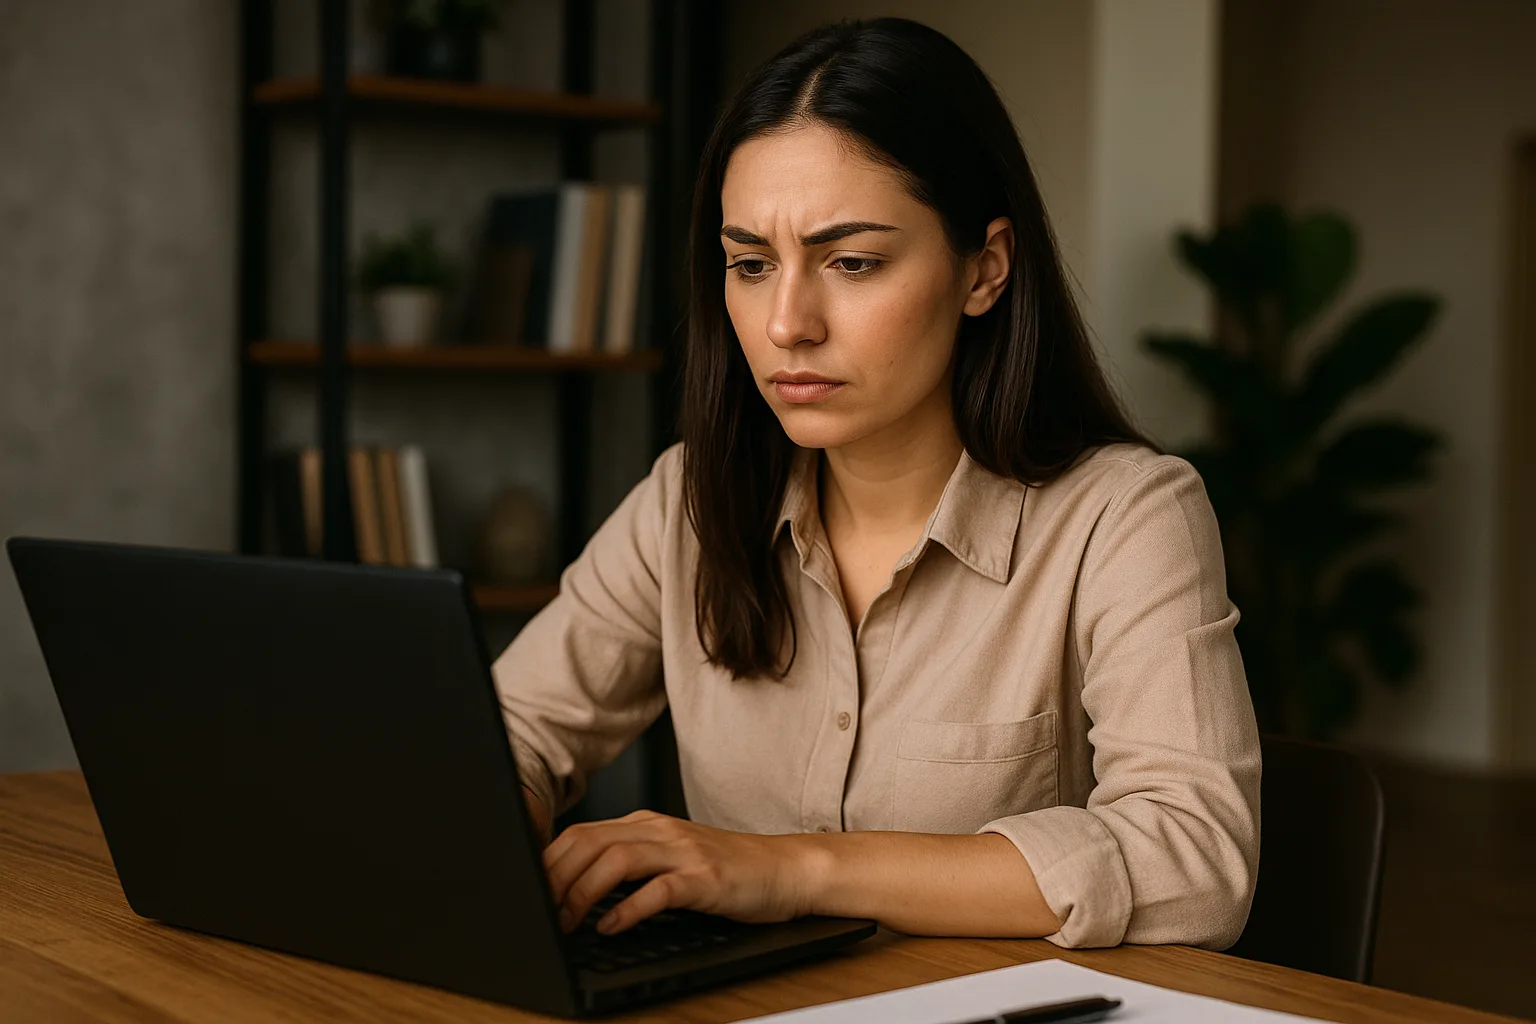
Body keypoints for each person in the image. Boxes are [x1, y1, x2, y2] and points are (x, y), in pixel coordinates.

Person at [494, 17, 1260, 951]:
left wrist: (791, 870)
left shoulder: (1126, 516)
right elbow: (508, 730)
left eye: (852, 262)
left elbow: (1196, 861)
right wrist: (494, 812)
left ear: (985, 270)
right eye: (750, 265)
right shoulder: (689, 499)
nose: (787, 324)